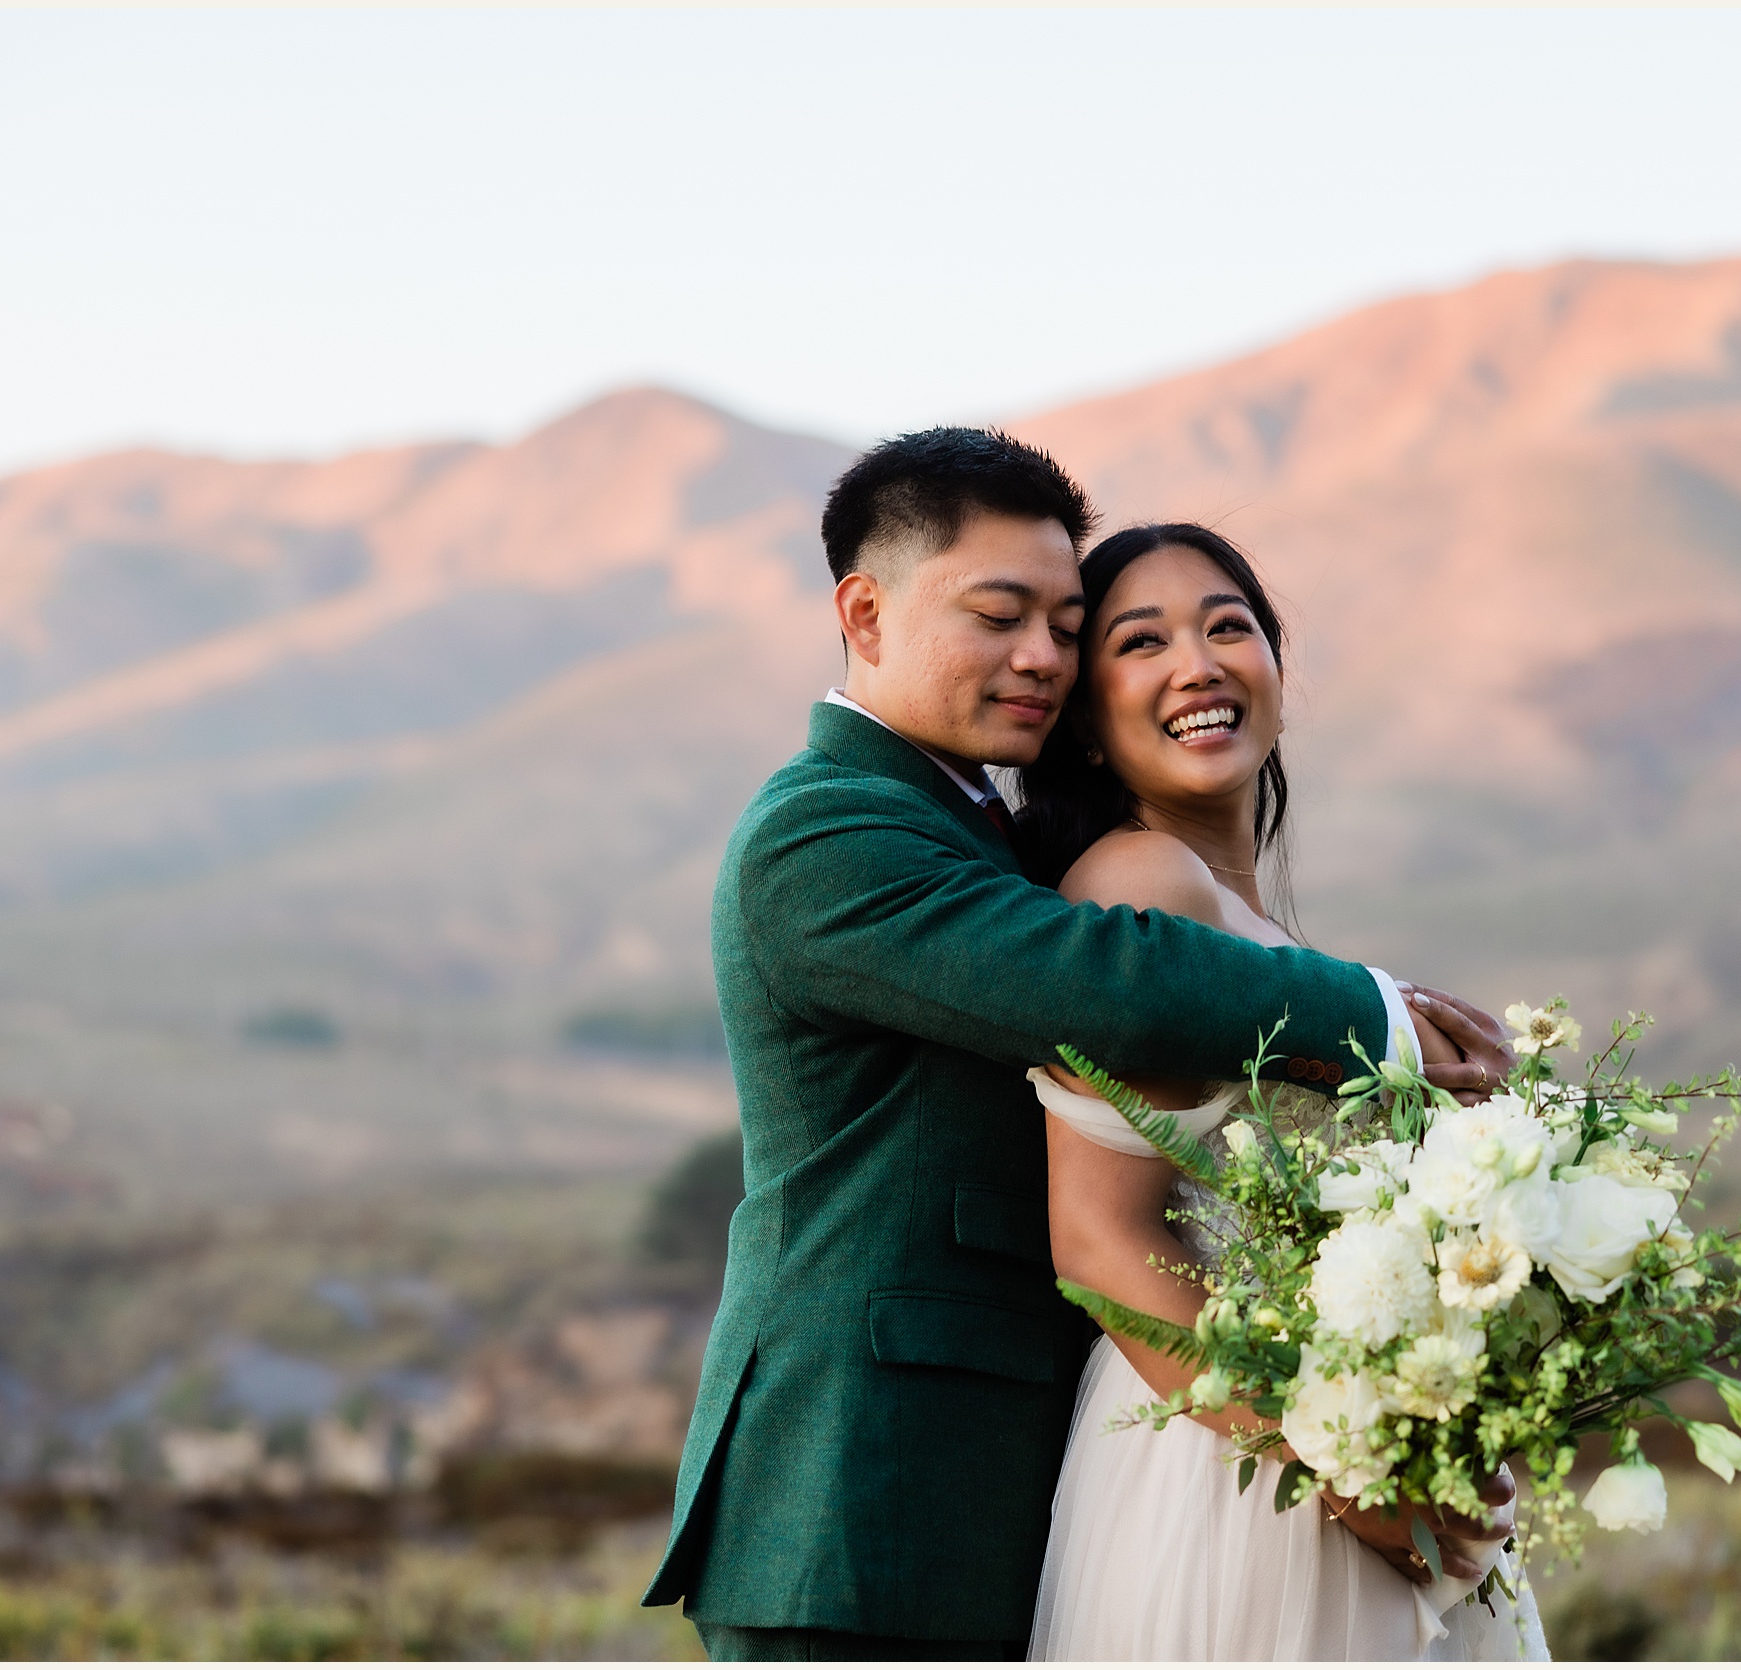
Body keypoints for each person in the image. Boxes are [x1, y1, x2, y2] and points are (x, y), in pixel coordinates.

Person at [641, 430, 1516, 1660]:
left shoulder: (981, 825)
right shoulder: (825, 833)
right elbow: (1103, 980)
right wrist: (1375, 1015)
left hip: (1019, 1486)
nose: (1040, 657)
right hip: (865, 1492)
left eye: (1062, 620)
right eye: (1001, 616)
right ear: (865, 609)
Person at [1015, 522, 1548, 1660]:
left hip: (1348, 1451)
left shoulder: (1256, 927)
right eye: (1139, 640)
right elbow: (1099, 1237)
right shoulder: (1138, 883)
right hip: (1239, 1478)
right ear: (1086, 722)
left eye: (1227, 626)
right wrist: (1344, 1476)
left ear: (1275, 670)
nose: (1197, 663)